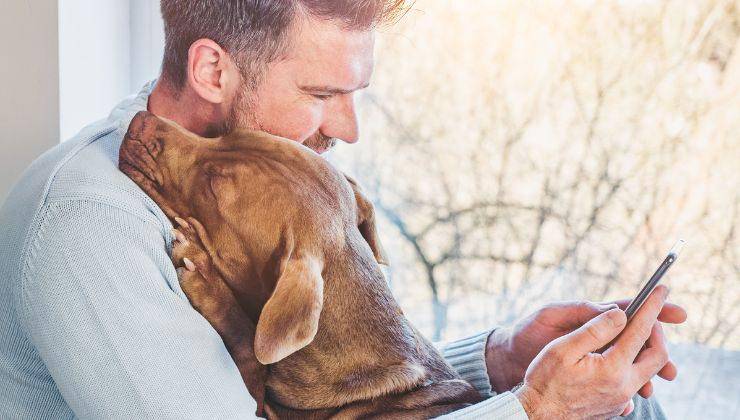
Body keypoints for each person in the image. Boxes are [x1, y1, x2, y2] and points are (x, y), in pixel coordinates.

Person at [0, 1, 686, 418]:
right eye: (323, 93)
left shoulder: (262, 186)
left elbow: (323, 402)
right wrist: (536, 411)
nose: (348, 129)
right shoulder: (92, 227)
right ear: (213, 71)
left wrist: (500, 366)